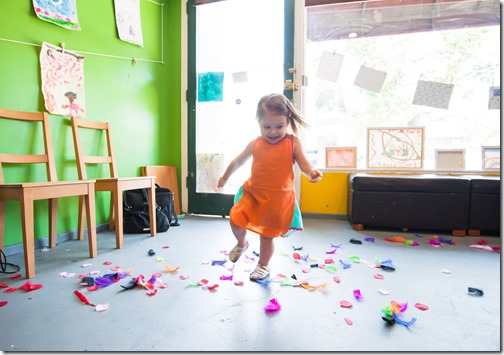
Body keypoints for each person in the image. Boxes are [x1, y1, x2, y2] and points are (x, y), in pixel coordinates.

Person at [217, 93, 323, 281]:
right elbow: (238, 161)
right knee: (235, 219)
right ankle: (241, 244)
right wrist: (225, 177)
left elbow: (305, 165)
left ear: (287, 121)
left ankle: (262, 266)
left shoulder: (292, 143)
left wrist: (312, 173)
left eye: (279, 126)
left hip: (277, 200)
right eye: (267, 127)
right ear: (258, 122)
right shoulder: (255, 144)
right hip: (253, 193)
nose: (273, 132)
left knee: (267, 236)